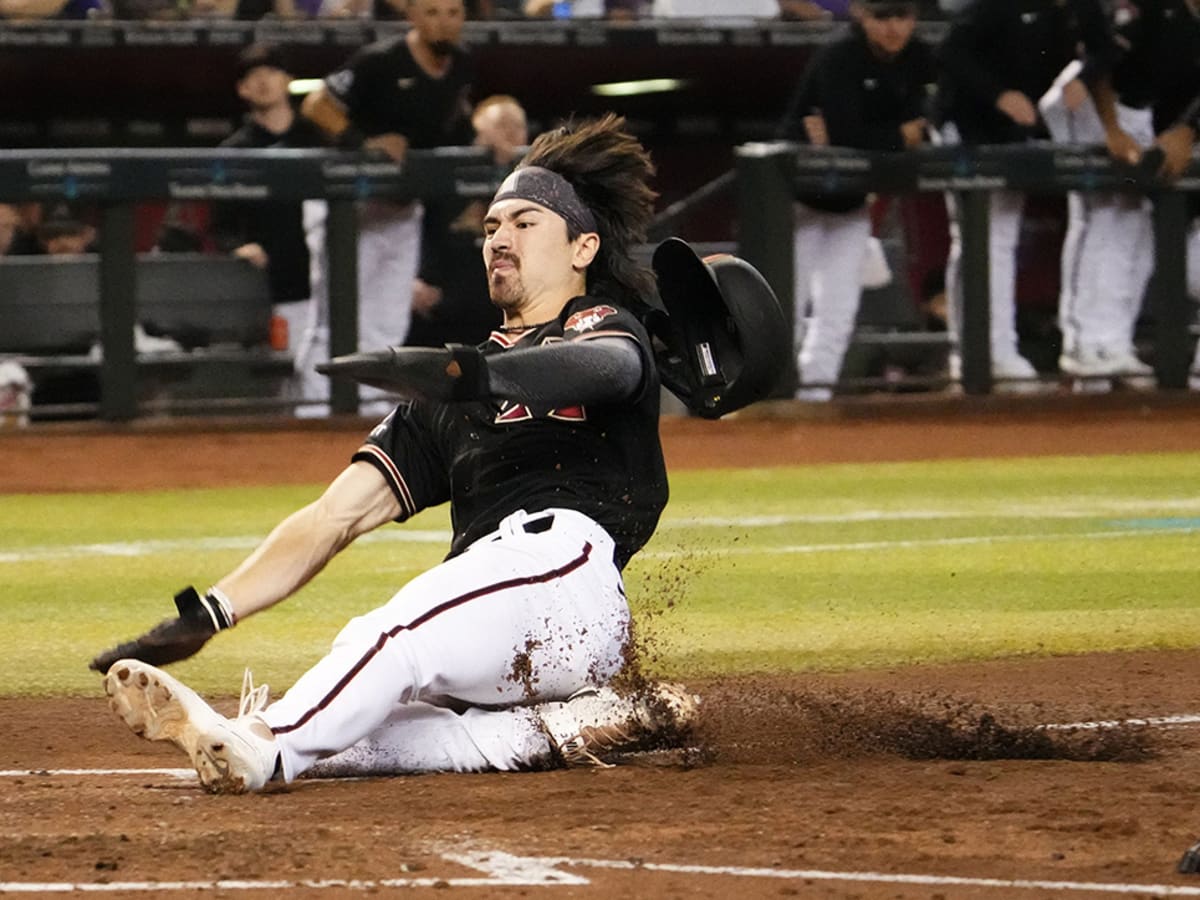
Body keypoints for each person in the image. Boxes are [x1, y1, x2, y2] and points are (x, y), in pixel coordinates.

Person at [92, 114, 700, 793]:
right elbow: (333, 518)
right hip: (521, 621)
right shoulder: (446, 395)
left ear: (583, 247)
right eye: (493, 225)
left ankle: (263, 744)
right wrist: (210, 612)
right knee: (368, 724)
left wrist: (479, 376)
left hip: (563, 572)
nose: (500, 237)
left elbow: (608, 369)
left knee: (390, 636)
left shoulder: (596, 327)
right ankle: (571, 725)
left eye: (525, 223)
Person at [301, 0, 475, 416]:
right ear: (412, 16)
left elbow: (458, 122)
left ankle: (372, 411)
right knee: (334, 317)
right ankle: (311, 412)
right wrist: (364, 142)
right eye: (432, 12)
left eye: (452, 12)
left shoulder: (464, 65)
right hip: (350, 204)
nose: (443, 22)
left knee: (388, 318)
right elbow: (315, 105)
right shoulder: (379, 60)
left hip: (401, 207)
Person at [934, 0, 1113, 391]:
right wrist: (998, 94)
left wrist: (1085, 74)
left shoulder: (1080, 10)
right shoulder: (993, 7)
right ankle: (976, 352)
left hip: (1016, 132)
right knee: (979, 239)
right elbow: (950, 51)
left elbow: (1104, 47)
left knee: (1000, 239)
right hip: (967, 124)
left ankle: (997, 351)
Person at [777, 0, 937, 401]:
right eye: (883, 17)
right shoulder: (840, 55)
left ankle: (816, 395)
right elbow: (850, 133)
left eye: (902, 17)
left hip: (852, 203)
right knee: (785, 308)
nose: (893, 28)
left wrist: (878, 137)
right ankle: (772, 396)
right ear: (863, 16)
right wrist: (900, 136)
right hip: (799, 199)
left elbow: (928, 121)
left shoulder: (919, 58)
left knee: (838, 308)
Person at [1038, 0, 1200, 389]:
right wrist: (1111, 130)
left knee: (1133, 218)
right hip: (1087, 97)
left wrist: (1184, 129)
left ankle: (1112, 343)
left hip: (1139, 108)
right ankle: (1086, 344)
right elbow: (1099, 64)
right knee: (1102, 212)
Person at [210, 43, 330, 415]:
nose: (263, 82)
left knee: (329, 390)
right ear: (242, 89)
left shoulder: (320, 139)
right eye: (253, 76)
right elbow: (220, 225)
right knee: (286, 392)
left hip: (331, 286)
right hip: (276, 288)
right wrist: (239, 245)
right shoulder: (234, 151)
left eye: (271, 72)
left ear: (288, 81)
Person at [407, 94, 528, 349]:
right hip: (443, 319)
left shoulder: (537, 185)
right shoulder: (445, 177)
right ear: (477, 131)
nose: (509, 133)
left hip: (509, 320)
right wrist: (411, 281)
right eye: (501, 124)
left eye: (517, 125)